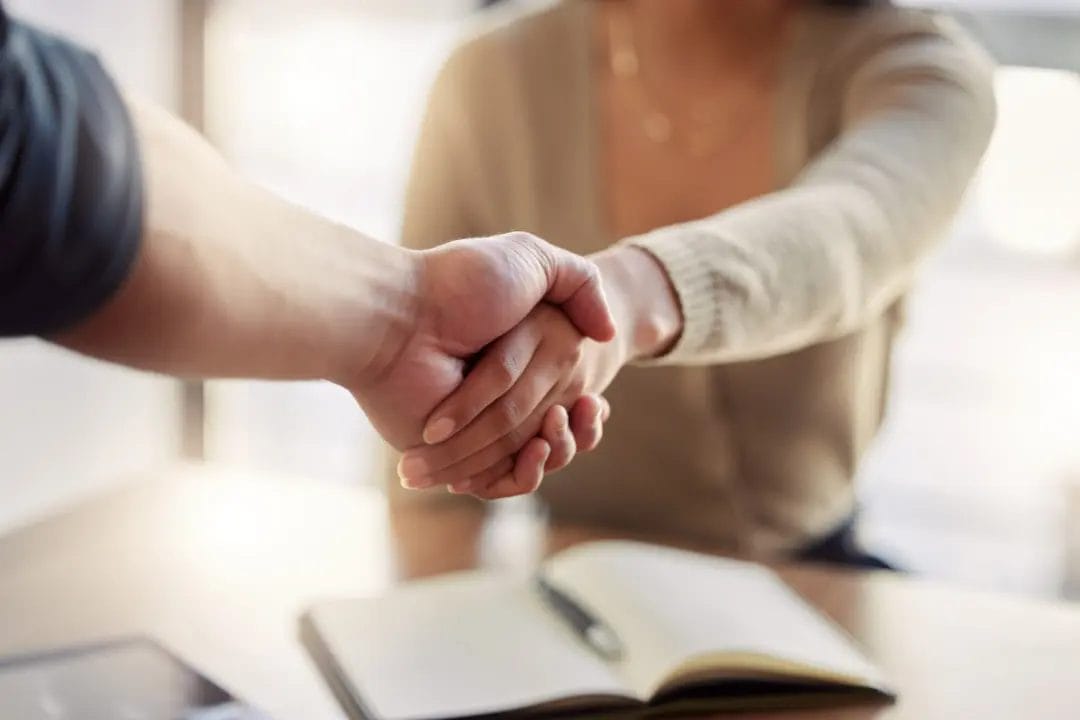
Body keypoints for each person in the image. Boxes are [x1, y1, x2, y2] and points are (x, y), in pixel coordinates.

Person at [390, 0, 997, 575]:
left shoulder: (924, 73)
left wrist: (628, 297)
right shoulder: (487, 74)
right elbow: (426, 432)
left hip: (809, 584)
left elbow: (850, 232)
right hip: (567, 586)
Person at [0, 4, 615, 487]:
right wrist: (400, 316)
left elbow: (33, 152)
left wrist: (403, 317)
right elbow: (39, 160)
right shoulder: (496, 69)